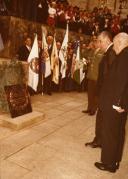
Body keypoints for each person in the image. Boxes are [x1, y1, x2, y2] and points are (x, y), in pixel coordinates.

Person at [95, 32, 128, 173]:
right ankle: (114, 161)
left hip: (114, 105)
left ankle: (109, 164)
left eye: (114, 44)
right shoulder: (125, 55)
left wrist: (118, 103)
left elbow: (122, 81)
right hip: (118, 103)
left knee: (111, 134)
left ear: (120, 42)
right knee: (118, 133)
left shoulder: (125, 56)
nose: (113, 47)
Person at [85, 31, 116, 148]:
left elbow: (109, 76)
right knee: (101, 118)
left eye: (99, 41)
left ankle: (99, 140)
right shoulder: (109, 52)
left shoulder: (111, 53)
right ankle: (99, 139)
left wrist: (103, 92)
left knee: (102, 119)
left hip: (106, 93)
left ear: (106, 40)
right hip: (105, 92)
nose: (98, 43)